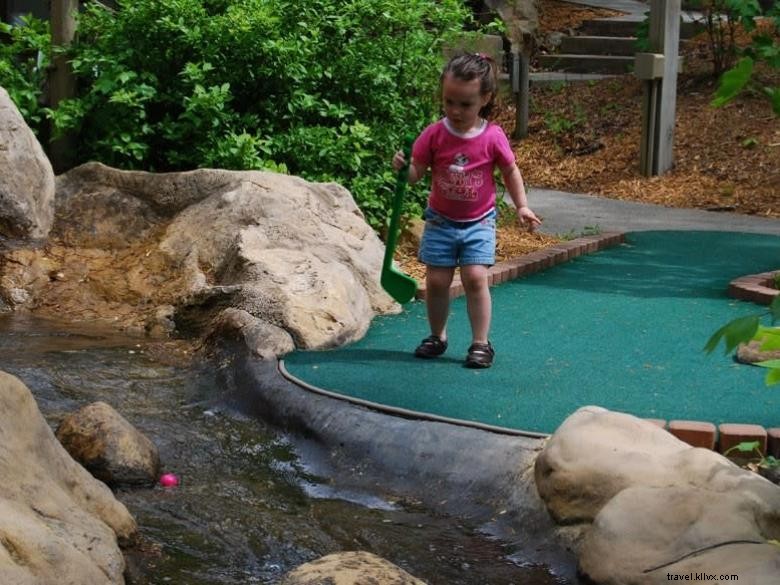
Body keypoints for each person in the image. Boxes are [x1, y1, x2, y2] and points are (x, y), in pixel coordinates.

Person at [392, 52, 541, 368]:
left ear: (485, 98)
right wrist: (404, 170)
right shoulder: (435, 133)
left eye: (466, 104)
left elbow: (511, 170)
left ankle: (480, 343)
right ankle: (437, 336)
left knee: (475, 278)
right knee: (435, 281)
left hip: (479, 221)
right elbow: (417, 172)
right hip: (440, 221)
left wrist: (522, 205)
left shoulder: (492, 136)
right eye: (449, 102)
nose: (456, 111)